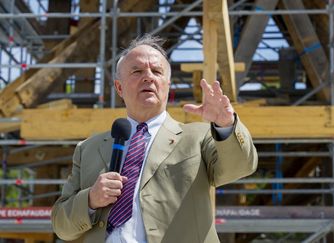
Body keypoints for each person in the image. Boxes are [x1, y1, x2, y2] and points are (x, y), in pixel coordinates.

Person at [51, 34, 258, 243]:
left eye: (156, 71)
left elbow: (240, 167)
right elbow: (61, 226)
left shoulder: (200, 136)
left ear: (168, 85)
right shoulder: (88, 148)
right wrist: (90, 200)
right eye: (137, 71)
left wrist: (226, 126)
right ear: (119, 88)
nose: (148, 77)